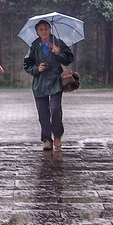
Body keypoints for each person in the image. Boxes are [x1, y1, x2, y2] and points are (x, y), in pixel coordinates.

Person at [23, 19, 74, 150]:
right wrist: (36, 69)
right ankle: (46, 139)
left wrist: (58, 53)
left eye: (46, 29)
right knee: (43, 112)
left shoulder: (58, 43)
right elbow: (27, 64)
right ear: (37, 32)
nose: (44, 31)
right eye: (41, 29)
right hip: (39, 84)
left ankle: (57, 135)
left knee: (55, 108)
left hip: (56, 82)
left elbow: (69, 58)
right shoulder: (34, 46)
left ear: (50, 29)